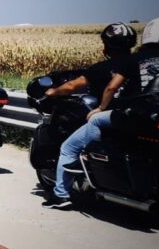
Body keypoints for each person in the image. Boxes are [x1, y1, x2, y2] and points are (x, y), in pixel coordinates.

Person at [41, 22, 139, 209]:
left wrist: (51, 92)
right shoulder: (138, 64)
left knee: (68, 148)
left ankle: (60, 195)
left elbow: (71, 86)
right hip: (135, 117)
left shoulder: (102, 68)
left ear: (107, 45)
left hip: (111, 118)